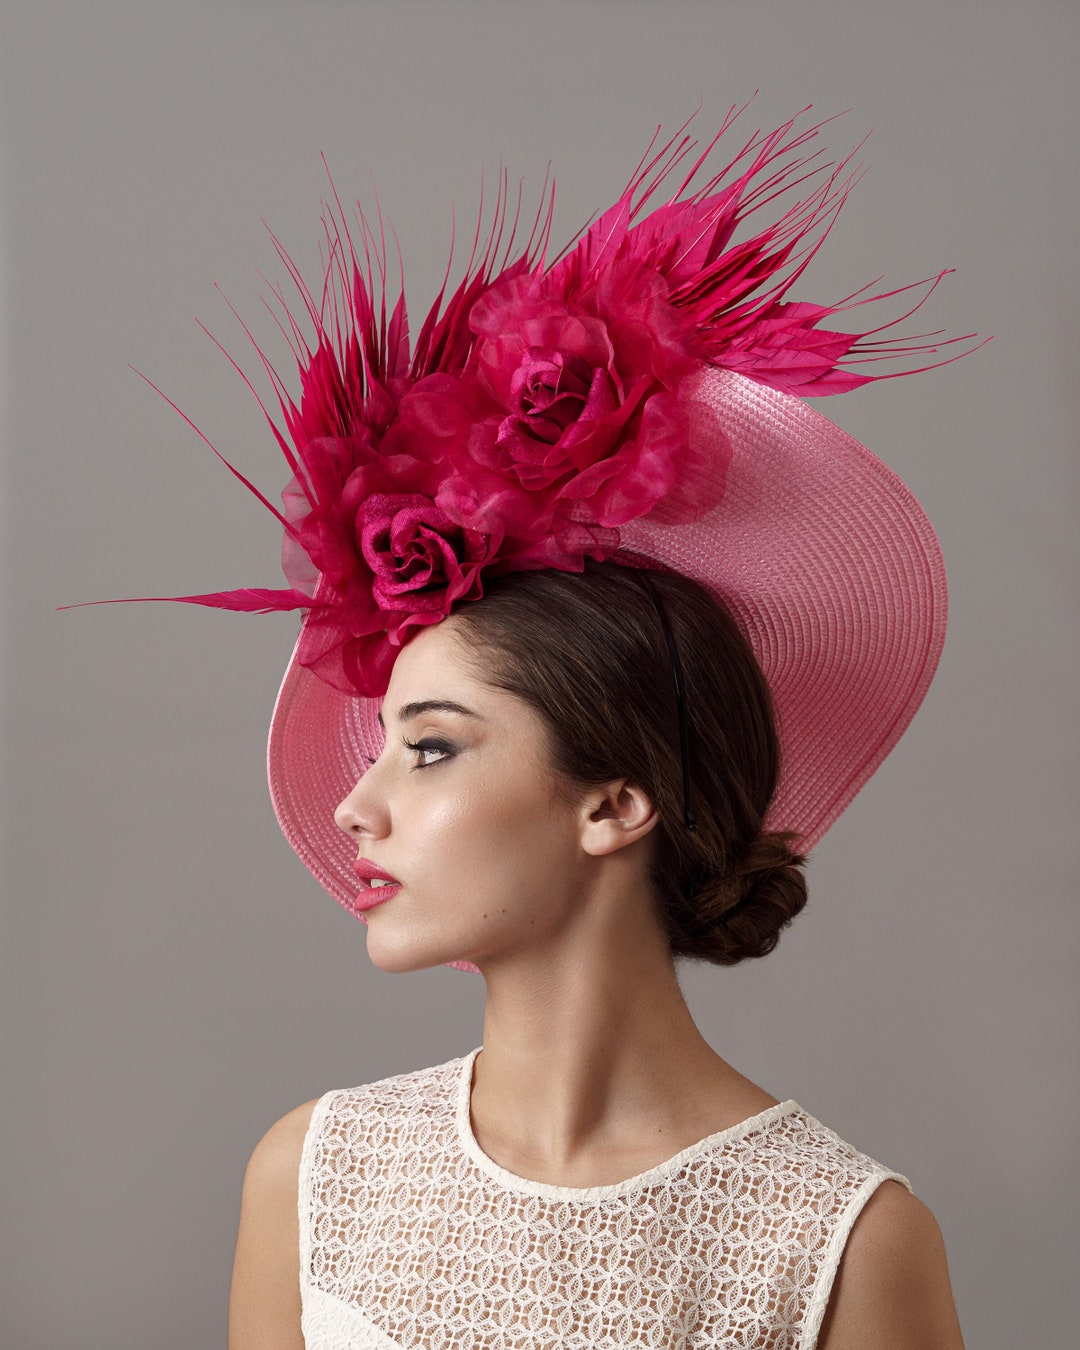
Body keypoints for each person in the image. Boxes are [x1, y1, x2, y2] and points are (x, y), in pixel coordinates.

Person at [138, 108, 974, 1347]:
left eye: (428, 747)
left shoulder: (839, 1242)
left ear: (614, 800)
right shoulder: (314, 1180)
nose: (354, 808)